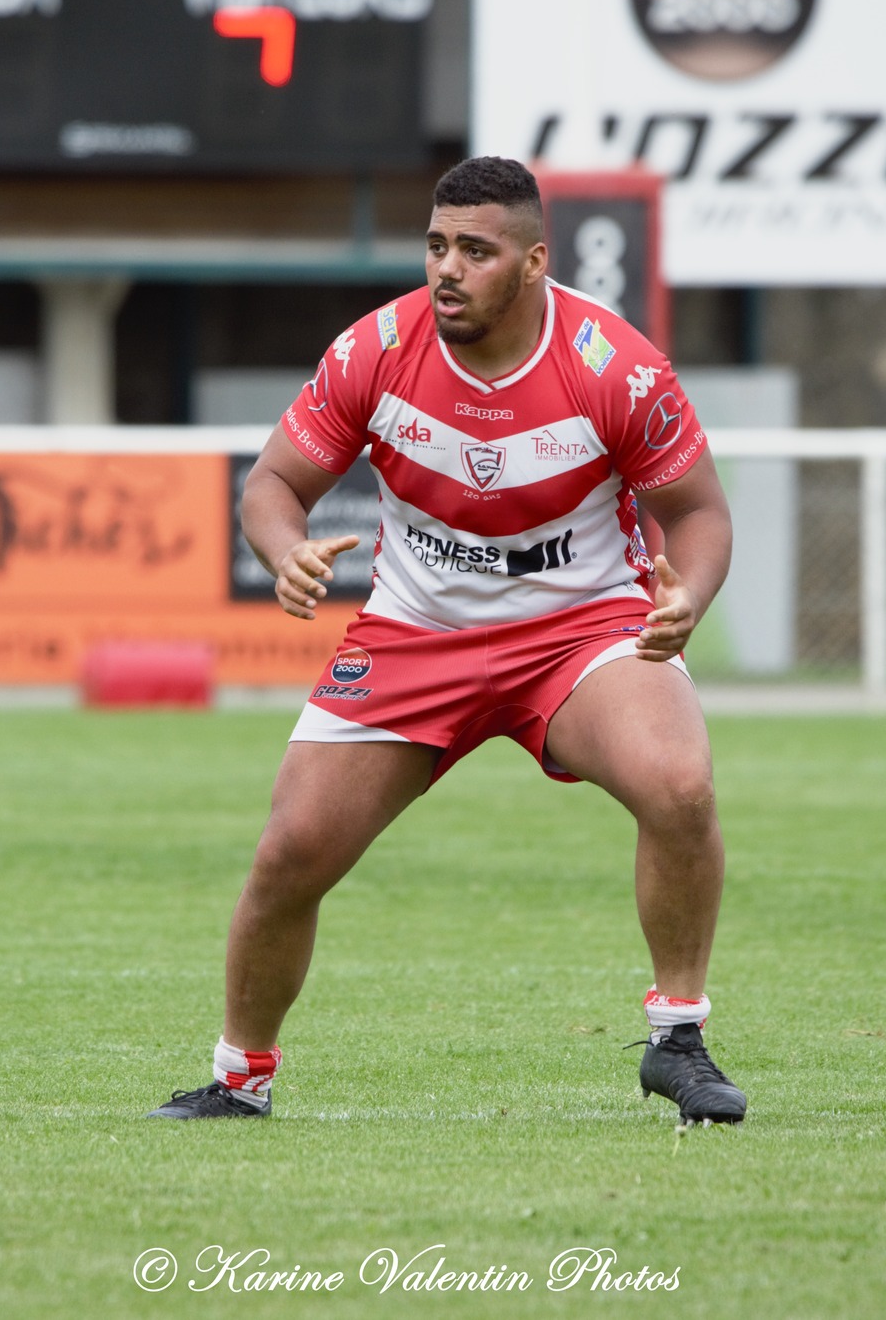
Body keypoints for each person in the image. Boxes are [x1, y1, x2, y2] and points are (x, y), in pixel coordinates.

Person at [150, 157, 744, 1126]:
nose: (446, 269)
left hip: (579, 632)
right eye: (434, 246)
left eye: (475, 250)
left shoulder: (616, 368)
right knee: (289, 851)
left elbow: (700, 515)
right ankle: (238, 1079)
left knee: (677, 784)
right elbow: (269, 486)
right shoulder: (374, 350)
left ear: (533, 262)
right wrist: (284, 550)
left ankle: (675, 1037)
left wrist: (689, 598)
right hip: (412, 635)